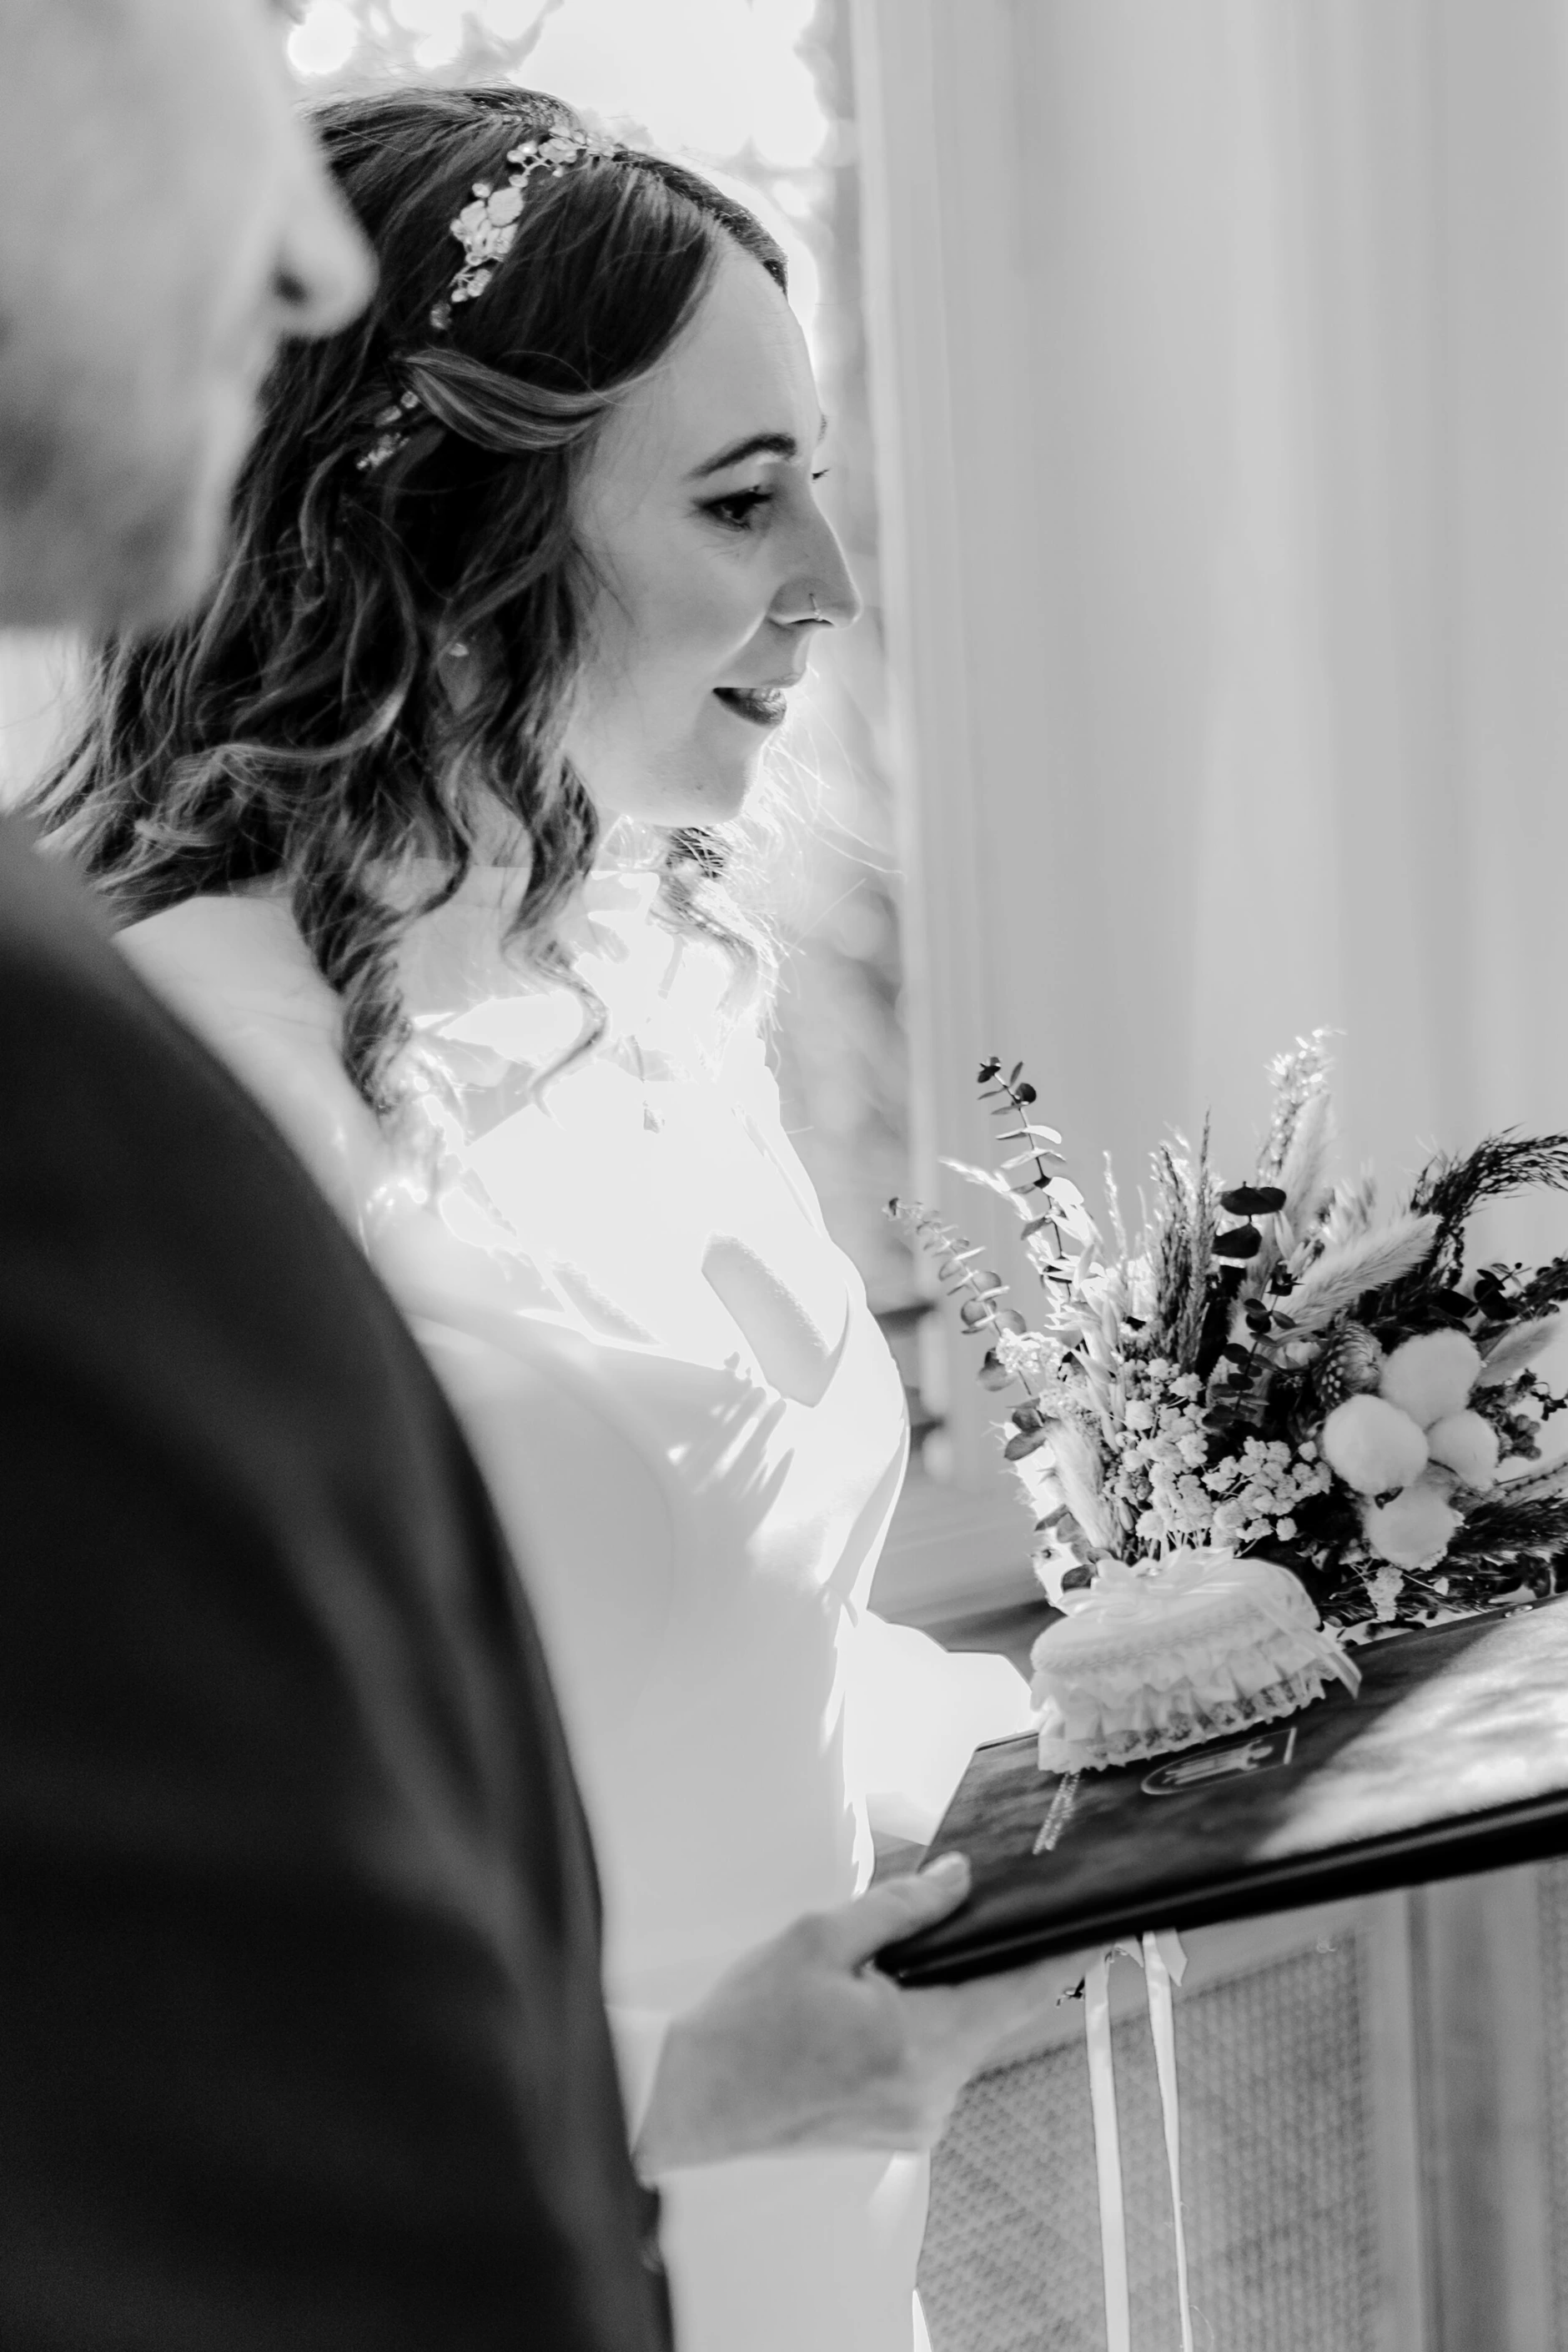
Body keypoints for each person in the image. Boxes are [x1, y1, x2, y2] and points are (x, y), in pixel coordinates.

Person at [2, 16, 1057, 2349]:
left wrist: (1080, 1743)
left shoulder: (670, 998)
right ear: (445, 535)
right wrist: (683, 2082)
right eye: (738, 496)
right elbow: (128, 2015)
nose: (833, 587)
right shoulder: (179, 1110)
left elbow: (721, 1651)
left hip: (831, 2267)